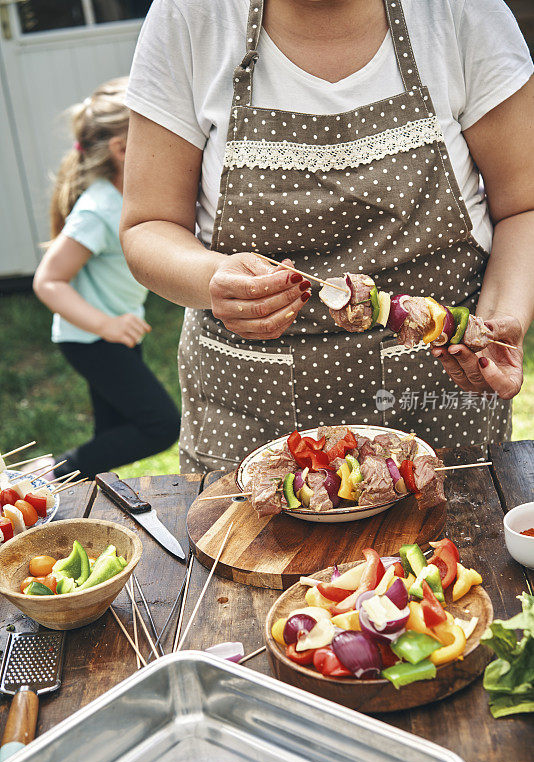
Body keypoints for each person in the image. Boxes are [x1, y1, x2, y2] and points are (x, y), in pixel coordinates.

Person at [120, 0, 534, 474]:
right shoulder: (190, 16)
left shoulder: (460, 12)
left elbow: (524, 206)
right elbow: (147, 225)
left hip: (441, 404)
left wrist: (495, 325)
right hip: (251, 414)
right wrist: (213, 278)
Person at [33, 77, 180, 479]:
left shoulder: (128, 195)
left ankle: (87, 503)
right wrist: (107, 325)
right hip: (92, 339)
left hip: (113, 333)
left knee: (111, 437)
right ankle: (41, 476)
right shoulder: (98, 209)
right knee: (159, 425)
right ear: (121, 150)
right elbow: (48, 280)